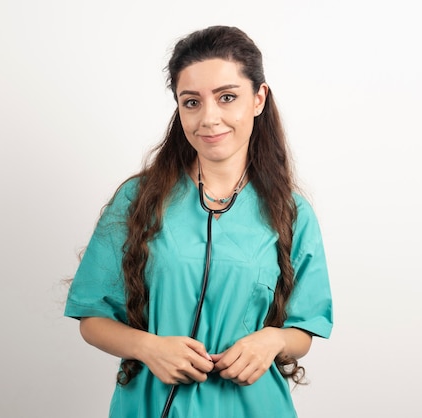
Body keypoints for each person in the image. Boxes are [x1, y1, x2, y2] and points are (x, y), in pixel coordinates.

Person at [64, 25, 333, 418]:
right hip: (149, 405)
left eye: (227, 98)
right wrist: (148, 347)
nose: (209, 118)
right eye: (191, 102)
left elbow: (304, 328)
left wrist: (272, 340)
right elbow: (92, 318)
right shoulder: (138, 200)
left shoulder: (291, 212)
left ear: (258, 99)